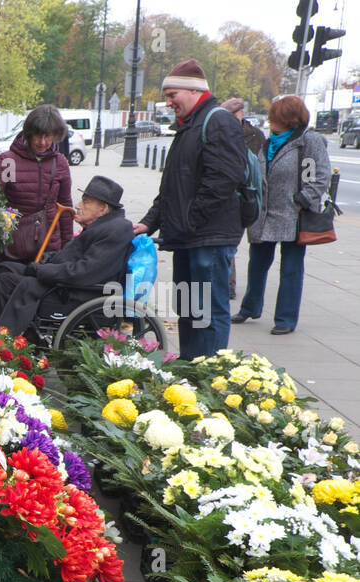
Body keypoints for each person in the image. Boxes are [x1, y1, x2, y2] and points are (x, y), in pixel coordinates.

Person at [133, 59, 247, 359]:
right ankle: (190, 369)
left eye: (173, 95)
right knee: (188, 310)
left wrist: (189, 220)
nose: (168, 102)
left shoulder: (217, 121)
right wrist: (149, 222)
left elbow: (223, 180)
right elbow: (173, 187)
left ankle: (207, 375)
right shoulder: (190, 126)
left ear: (194, 91)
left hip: (207, 237)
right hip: (190, 236)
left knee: (207, 313)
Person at [0, 175, 135, 336]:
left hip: (77, 291)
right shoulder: (104, 224)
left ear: (103, 209)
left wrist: (41, 271)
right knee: (1, 269)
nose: (78, 205)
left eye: (86, 202)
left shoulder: (116, 230)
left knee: (5, 281)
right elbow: (72, 256)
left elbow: (83, 272)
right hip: (66, 280)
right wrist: (46, 261)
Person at [233, 95, 329, 336]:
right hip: (263, 215)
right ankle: (250, 308)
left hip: (293, 215)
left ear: (288, 119)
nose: (270, 120)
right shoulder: (269, 143)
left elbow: (320, 176)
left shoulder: (309, 141)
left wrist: (303, 200)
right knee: (257, 264)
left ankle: (285, 318)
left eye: (274, 117)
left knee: (291, 268)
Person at [0, 106, 74, 269]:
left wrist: (67, 247)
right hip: (13, 247)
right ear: (28, 133)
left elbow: (65, 209)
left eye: (47, 136)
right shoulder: (9, 162)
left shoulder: (60, 163)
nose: (42, 142)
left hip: (48, 246)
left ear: (55, 135)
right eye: (37, 136)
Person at [222, 97, 268, 301]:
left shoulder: (254, 136)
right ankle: (228, 286)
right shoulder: (249, 134)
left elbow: (258, 167)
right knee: (228, 246)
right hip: (242, 197)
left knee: (229, 245)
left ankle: (229, 286)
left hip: (244, 196)